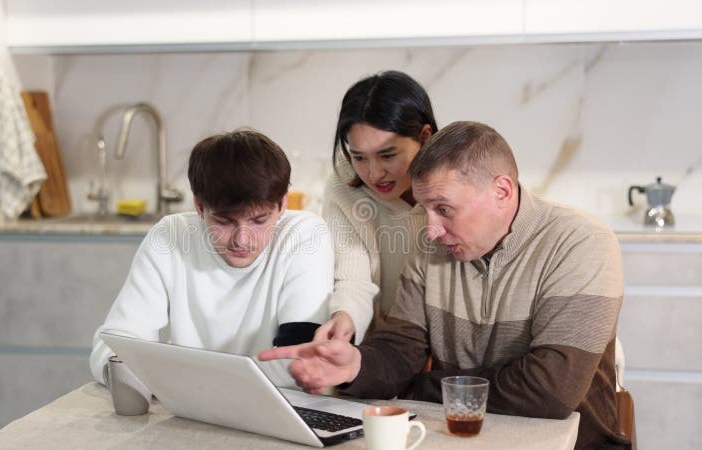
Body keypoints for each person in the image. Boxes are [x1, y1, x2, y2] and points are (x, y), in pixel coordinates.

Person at [261, 121, 629, 449]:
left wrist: (423, 387)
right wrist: (356, 364)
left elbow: (550, 392)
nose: (430, 228)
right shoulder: (431, 247)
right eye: (425, 209)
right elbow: (398, 350)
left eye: (443, 208)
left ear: (501, 191)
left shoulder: (582, 241)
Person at [90, 129, 333, 388]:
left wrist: (173, 379)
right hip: (192, 407)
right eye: (224, 221)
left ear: (283, 205)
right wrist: (125, 368)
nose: (242, 239)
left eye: (259, 220)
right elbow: (112, 346)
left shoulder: (306, 236)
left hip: (271, 411)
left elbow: (298, 360)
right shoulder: (170, 236)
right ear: (198, 207)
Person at [314, 70, 437, 345]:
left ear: (425, 136)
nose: (374, 173)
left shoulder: (454, 186)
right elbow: (352, 277)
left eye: (388, 155)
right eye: (359, 157)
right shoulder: (344, 186)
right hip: (378, 354)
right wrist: (344, 319)